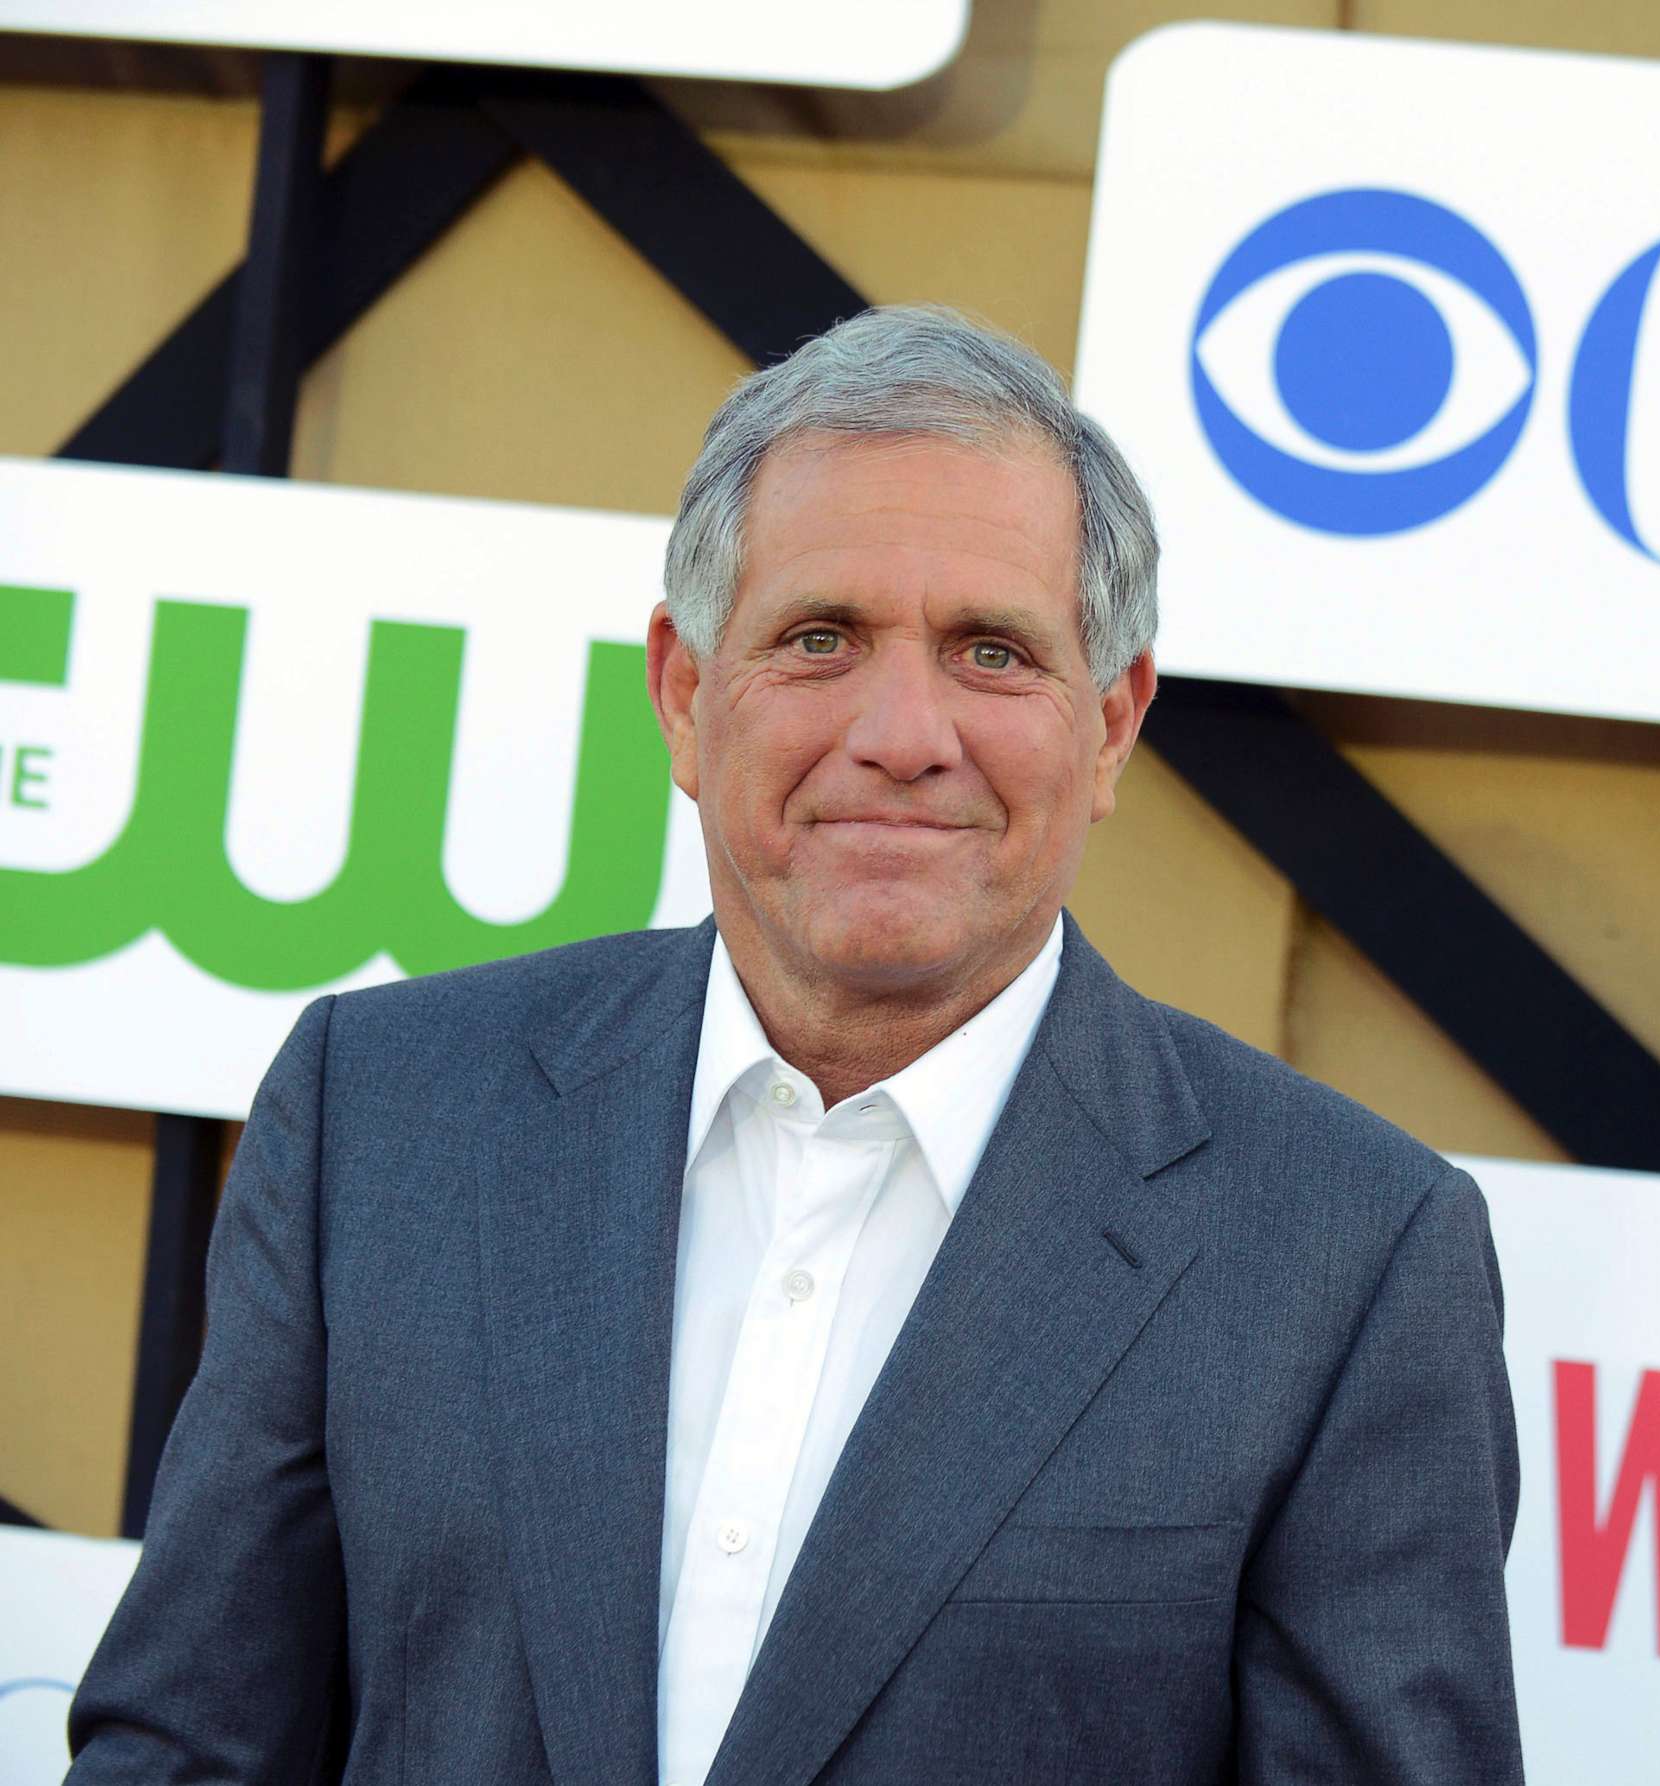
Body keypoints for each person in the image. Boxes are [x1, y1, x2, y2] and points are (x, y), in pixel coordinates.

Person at [65, 306, 1524, 1785]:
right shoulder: (378, 1122)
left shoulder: (1347, 1256)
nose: (902, 730)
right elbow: (189, 1746)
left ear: (1111, 725)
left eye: (992, 651)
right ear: (687, 694)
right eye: (820, 638)